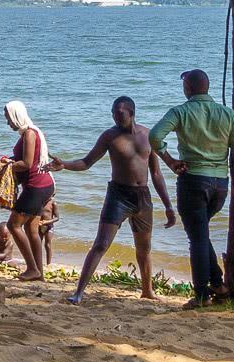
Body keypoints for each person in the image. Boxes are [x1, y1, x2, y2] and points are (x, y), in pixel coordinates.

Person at [52, 96, 178, 303]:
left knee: (144, 249)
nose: (116, 118)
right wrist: (64, 164)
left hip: (143, 197)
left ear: (132, 113)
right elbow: (86, 162)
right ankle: (78, 293)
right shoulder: (109, 136)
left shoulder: (149, 135)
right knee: (101, 244)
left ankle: (147, 290)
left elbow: (156, 174)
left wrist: (168, 206)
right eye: (113, 113)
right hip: (118, 196)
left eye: (120, 114)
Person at [148, 68, 234, 308]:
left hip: (193, 180)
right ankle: (218, 284)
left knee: (197, 238)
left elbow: (154, 136)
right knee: (200, 233)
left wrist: (170, 160)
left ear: (188, 88)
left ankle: (202, 294)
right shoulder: (227, 114)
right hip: (220, 185)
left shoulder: (180, 112)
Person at [1, 100, 55, 282]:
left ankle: (32, 268)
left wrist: (7, 166)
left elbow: (27, 163)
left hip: (36, 187)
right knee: (32, 229)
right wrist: (9, 160)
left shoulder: (29, 134)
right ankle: (39, 273)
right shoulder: (29, 133)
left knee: (13, 225)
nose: (8, 122)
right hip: (43, 186)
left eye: (8, 118)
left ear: (16, 116)